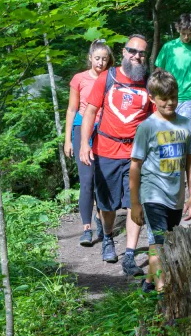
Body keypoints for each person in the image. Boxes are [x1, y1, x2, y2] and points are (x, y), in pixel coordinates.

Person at [79, 35, 151, 276]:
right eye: (132, 51)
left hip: (136, 154)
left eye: (141, 53)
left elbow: (156, 117)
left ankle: (129, 254)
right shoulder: (107, 77)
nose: (137, 56)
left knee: (135, 204)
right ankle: (108, 236)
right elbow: (90, 111)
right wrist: (84, 144)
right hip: (106, 151)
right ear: (123, 52)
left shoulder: (148, 82)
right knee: (107, 205)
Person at [129, 69, 191, 293]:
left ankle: (148, 284)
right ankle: (163, 294)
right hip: (153, 194)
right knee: (157, 244)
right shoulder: (147, 127)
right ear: (152, 99)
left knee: (166, 242)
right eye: (164, 99)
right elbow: (135, 166)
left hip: (176, 196)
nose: (170, 103)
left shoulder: (186, 124)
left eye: (174, 98)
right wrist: (135, 204)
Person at [64, 39, 113, 246]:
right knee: (86, 180)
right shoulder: (79, 79)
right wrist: (67, 140)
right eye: (97, 58)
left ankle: (102, 221)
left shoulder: (112, 78)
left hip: (105, 131)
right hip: (81, 129)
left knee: (103, 179)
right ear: (90, 58)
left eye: (104, 59)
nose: (100, 62)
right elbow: (72, 109)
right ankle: (86, 228)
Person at [154, 14, 191, 119]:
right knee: (168, 131)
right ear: (177, 29)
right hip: (167, 96)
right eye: (183, 33)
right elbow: (158, 71)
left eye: (190, 34)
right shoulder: (168, 47)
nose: (186, 37)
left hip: (189, 98)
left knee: (183, 131)